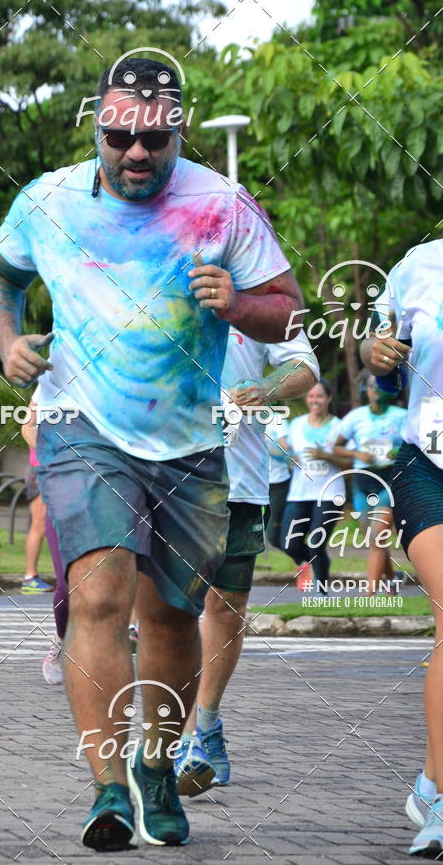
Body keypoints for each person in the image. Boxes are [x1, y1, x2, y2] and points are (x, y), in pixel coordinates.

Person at [0, 56, 304, 852]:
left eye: (153, 140)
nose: (135, 154)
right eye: (119, 136)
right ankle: (105, 790)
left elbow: (289, 314)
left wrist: (240, 303)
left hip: (191, 444)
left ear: (178, 134)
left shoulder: (222, 205)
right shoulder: (48, 201)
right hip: (80, 426)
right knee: (97, 597)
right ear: (96, 125)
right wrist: (9, 340)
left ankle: (157, 765)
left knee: (169, 616)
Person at [174, 327, 318, 796]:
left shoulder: (258, 288)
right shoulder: (144, 273)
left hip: (240, 480)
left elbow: (305, 366)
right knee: (169, 608)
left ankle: (206, 724)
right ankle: (179, 737)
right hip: (164, 474)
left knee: (225, 605)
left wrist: (268, 389)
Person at [360, 239, 443, 858]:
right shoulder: (420, 264)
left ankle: (431, 782)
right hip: (426, 463)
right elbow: (375, 353)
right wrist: (377, 351)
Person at [332, 374, 407, 595]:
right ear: (366, 389)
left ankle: (370, 594)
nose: (376, 389)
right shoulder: (355, 417)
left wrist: (399, 452)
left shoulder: (402, 416)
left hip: (389, 480)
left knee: (377, 536)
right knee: (374, 540)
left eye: (380, 385)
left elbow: (417, 445)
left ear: (389, 389)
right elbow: (336, 447)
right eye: (371, 385)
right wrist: (357, 453)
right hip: (362, 482)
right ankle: (392, 581)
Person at [279, 380, 348, 594]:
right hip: (299, 493)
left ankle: (322, 590)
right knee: (288, 543)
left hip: (330, 492)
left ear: (329, 398)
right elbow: (288, 453)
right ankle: (313, 566)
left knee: (316, 543)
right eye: (311, 396)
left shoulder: (340, 427)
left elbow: (350, 464)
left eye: (319, 396)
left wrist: (326, 455)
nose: (315, 400)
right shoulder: (296, 425)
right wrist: (289, 458)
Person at [22, 403, 66, 684]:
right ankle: (60, 641)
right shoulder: (50, 382)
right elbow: (27, 426)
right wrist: (51, 454)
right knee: (68, 583)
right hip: (59, 486)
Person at [21, 448, 54, 594]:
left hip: (53, 468)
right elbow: (27, 430)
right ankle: (30, 577)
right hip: (41, 468)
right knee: (39, 525)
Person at [265, 414, 292, 551]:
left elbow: (285, 449)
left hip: (277, 482)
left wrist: (265, 443)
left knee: (273, 536)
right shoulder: (236, 417)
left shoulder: (277, 419)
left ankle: (305, 561)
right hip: (251, 484)